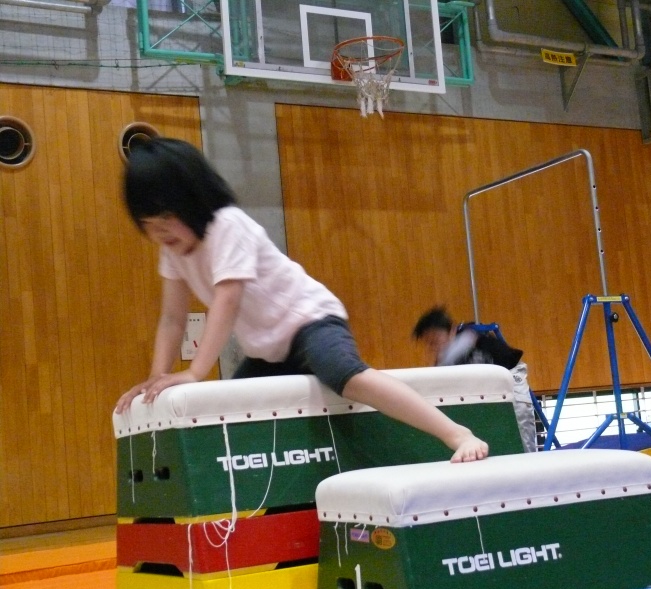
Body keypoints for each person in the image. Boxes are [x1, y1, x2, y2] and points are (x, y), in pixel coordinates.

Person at [114, 137, 488, 463]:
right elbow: (172, 319)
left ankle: (456, 432)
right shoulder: (173, 250)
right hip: (269, 351)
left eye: (166, 219)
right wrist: (156, 380)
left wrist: (195, 373)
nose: (160, 233)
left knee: (345, 375)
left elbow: (227, 300)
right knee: (231, 407)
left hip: (310, 321)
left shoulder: (227, 225)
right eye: (149, 226)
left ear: (193, 200)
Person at [413, 306, 540, 452]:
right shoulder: (445, 359)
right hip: (489, 387)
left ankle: (527, 455)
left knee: (520, 420)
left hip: (511, 374)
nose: (434, 346)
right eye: (429, 344)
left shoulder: (467, 337)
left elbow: (453, 357)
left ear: (452, 331)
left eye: (436, 340)